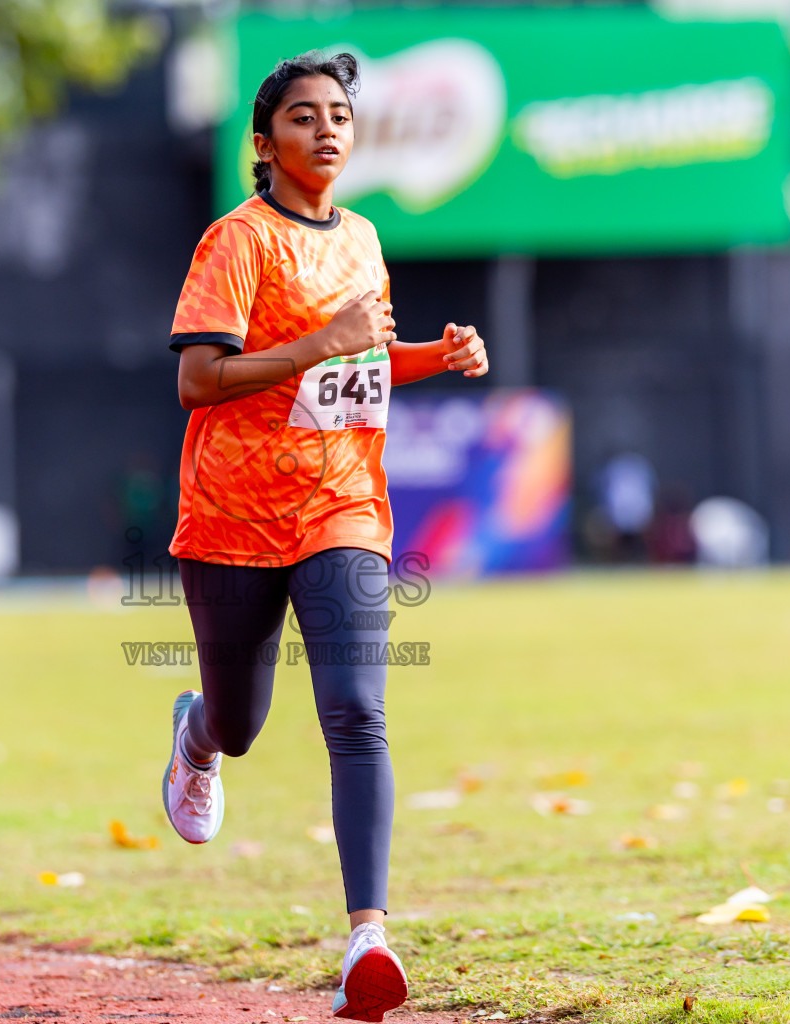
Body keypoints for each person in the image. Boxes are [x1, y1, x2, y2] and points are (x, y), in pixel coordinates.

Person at [161, 53, 488, 1022]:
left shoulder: (366, 238)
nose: (327, 130)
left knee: (356, 711)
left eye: (340, 114)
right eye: (303, 117)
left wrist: (438, 355)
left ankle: (367, 941)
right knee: (244, 722)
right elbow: (199, 382)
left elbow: (365, 366)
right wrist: (319, 342)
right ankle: (198, 737)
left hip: (343, 508)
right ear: (263, 146)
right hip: (231, 517)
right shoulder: (237, 241)